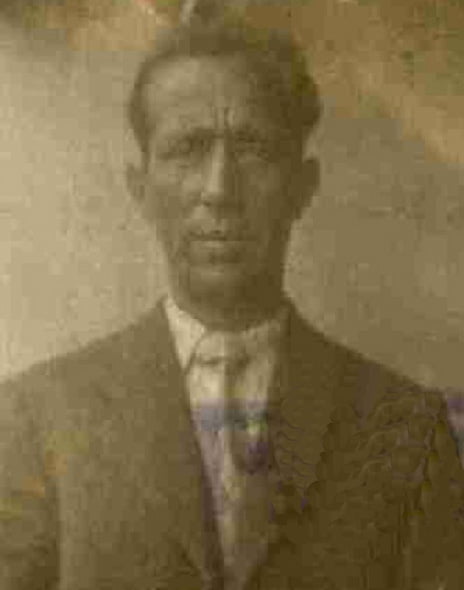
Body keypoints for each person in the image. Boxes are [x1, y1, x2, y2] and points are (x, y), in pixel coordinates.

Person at [0, 14, 463, 590]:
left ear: (303, 186)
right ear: (140, 189)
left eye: (253, 149)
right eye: (188, 149)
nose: (219, 189)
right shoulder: (36, 420)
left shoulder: (407, 430)